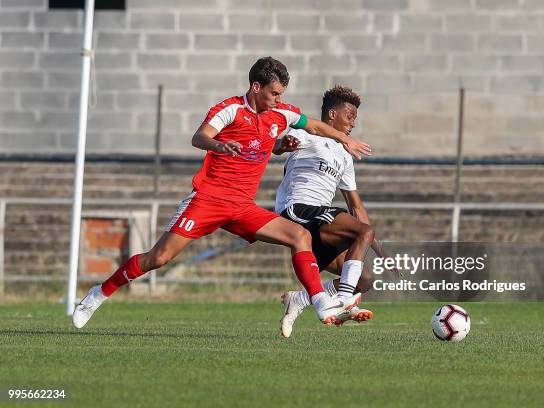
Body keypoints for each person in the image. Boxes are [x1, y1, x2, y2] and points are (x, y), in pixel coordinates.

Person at [72, 57, 371, 329]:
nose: (279, 99)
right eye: (274, 93)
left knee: (299, 236)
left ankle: (318, 301)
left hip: (242, 206)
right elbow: (199, 136)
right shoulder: (230, 109)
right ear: (256, 87)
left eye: (281, 94)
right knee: (159, 258)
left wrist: (345, 140)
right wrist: (219, 145)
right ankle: (99, 293)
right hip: (208, 199)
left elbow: (316, 126)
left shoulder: (281, 114)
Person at [273, 85, 389, 338]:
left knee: (365, 280)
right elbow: (278, 146)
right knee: (363, 233)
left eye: (356, 118)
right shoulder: (308, 133)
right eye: (350, 116)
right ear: (332, 114)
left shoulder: (345, 154)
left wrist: (381, 252)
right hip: (298, 209)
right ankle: (345, 299)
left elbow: (356, 206)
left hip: (319, 223)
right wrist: (285, 144)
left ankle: (301, 299)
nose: (353, 123)